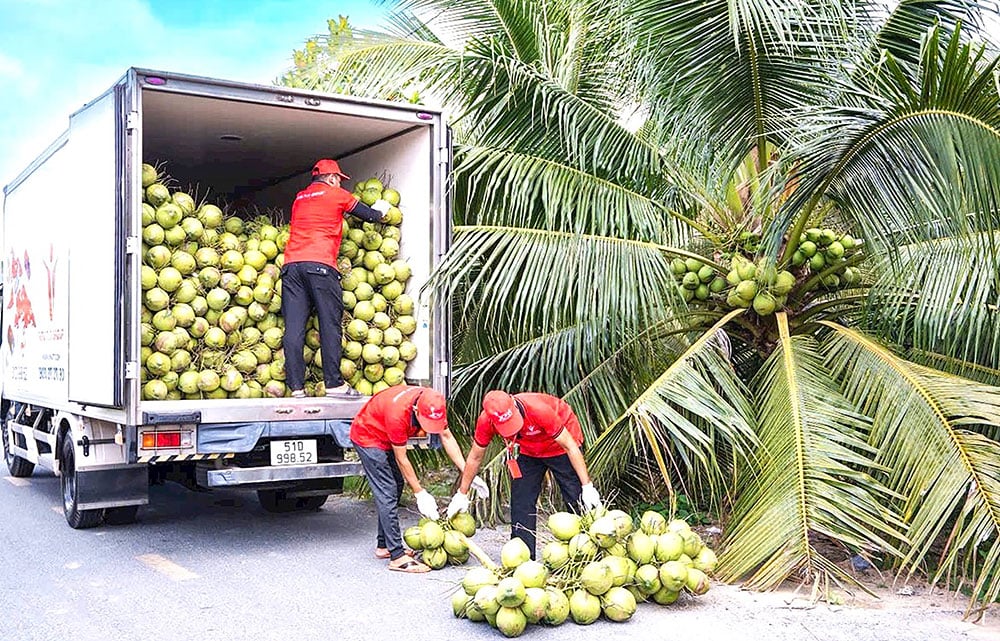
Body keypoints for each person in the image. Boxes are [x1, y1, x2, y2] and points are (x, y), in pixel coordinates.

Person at [350, 385, 489, 573]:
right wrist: (420, 493)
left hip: (385, 435)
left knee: (396, 484)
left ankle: (384, 545)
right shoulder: (397, 414)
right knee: (387, 491)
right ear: (416, 410)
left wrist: (468, 474)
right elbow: (402, 458)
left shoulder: (434, 403)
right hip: (368, 437)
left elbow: (447, 437)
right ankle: (397, 556)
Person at [282, 158, 390, 397]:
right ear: (332, 179)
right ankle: (334, 384)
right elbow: (370, 216)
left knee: (293, 328)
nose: (340, 184)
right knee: (329, 324)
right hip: (320, 265)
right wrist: (382, 208)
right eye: (339, 180)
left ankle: (296, 388)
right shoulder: (337, 195)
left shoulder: (299, 198)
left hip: (291, 266)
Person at [447, 390, 601, 558]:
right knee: (521, 497)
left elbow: (570, 446)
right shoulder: (486, 421)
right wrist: (462, 493)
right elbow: (475, 457)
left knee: (575, 495)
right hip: (529, 450)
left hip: (560, 446)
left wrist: (587, 486)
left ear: (514, 404)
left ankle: (587, 551)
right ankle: (524, 555)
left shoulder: (538, 410)